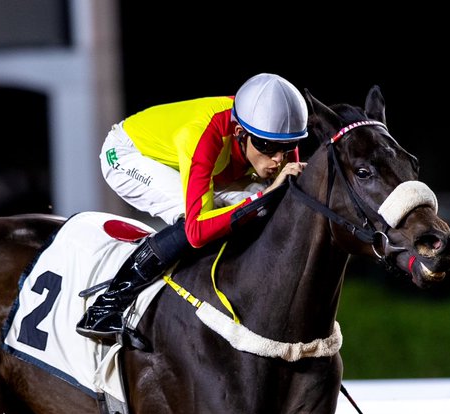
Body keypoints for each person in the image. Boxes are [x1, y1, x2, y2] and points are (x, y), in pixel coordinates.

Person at [77, 73, 309, 342]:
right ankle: (106, 307)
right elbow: (197, 230)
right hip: (126, 155)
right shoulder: (203, 134)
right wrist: (261, 197)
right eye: (267, 146)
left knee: (267, 202)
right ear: (240, 133)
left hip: (204, 168)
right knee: (200, 218)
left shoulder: (275, 133)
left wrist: (266, 196)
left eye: (287, 146)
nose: (278, 159)